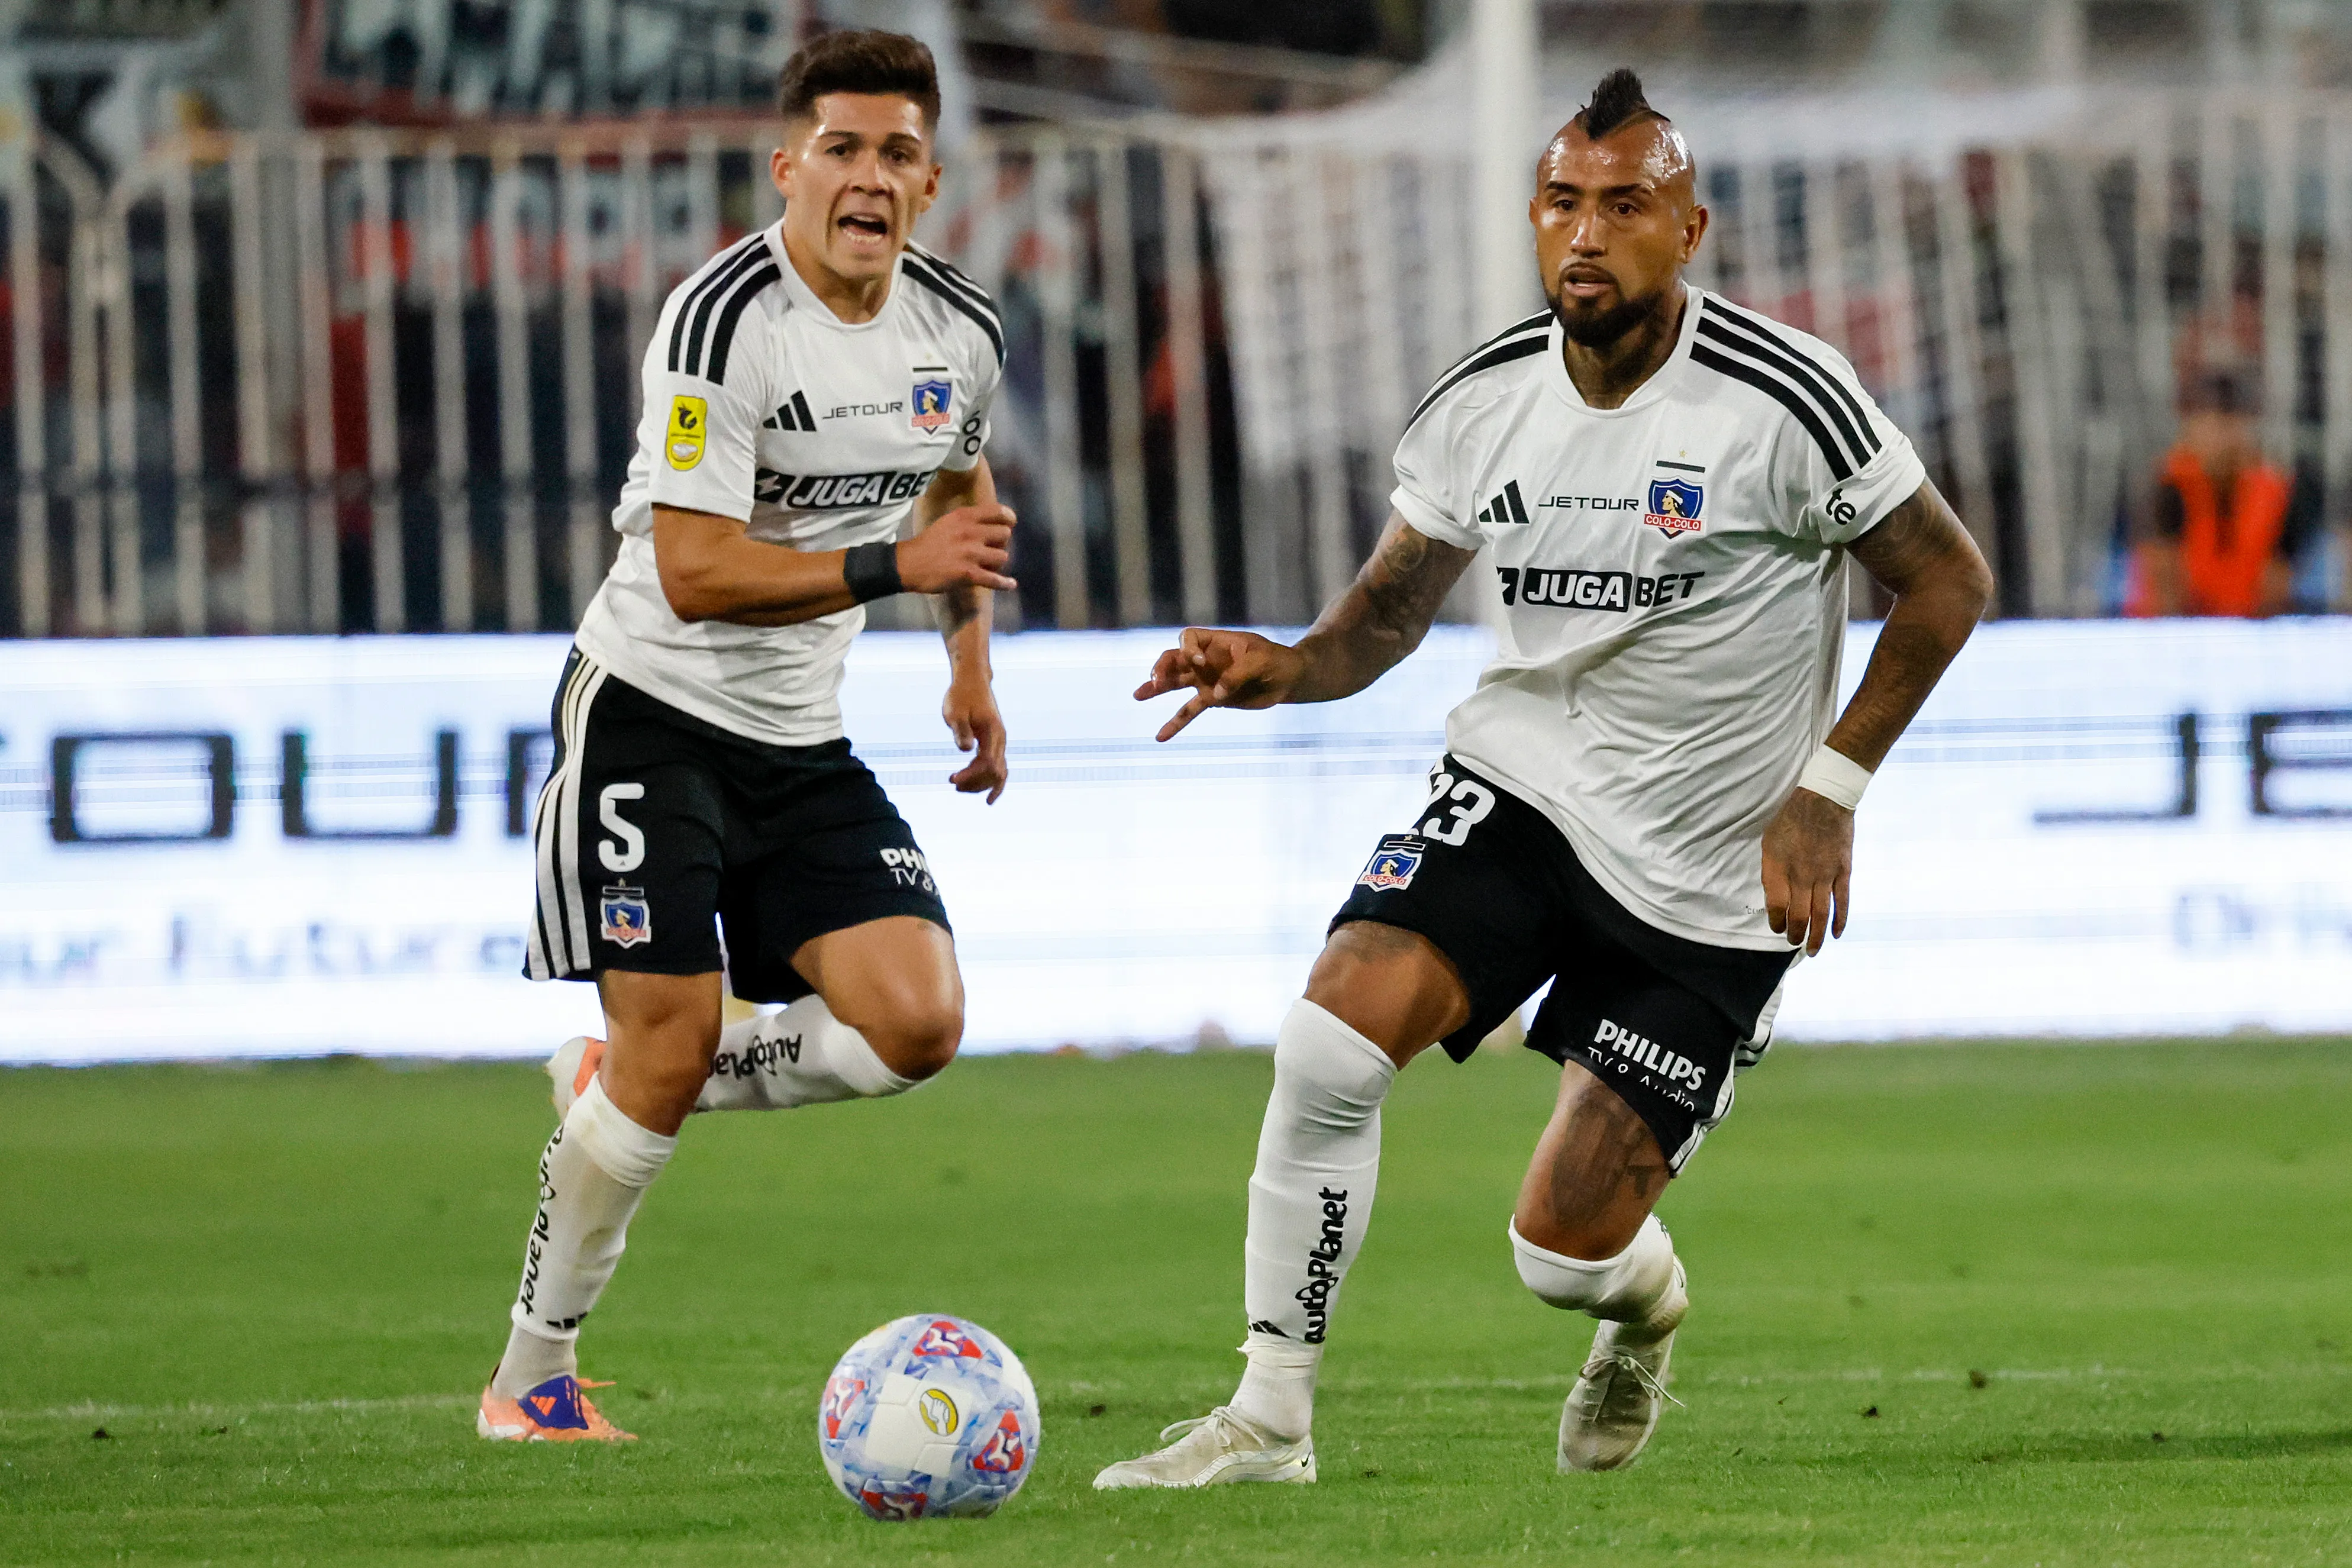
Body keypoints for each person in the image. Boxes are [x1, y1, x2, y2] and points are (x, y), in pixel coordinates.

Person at [1096, 68, 1993, 1486]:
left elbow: (1944, 580)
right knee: (1328, 1039)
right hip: (1520, 793)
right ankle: (1268, 1414)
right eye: (1560, 200)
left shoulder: (1782, 399)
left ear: (1685, 229)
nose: (1583, 233)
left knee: (1554, 1252)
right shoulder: (1482, 399)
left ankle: (1639, 1311)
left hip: (1707, 876)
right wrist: (1286, 665)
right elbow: (1387, 616)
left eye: (1622, 205)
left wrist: (1825, 790)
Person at [478, 28, 1017, 1443]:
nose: (867, 176)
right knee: (672, 1031)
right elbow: (697, 570)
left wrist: (967, 660)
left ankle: (636, 1073)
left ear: (930, 181)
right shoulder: (721, 321)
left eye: (896, 152)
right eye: (839, 147)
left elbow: (952, 482)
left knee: (918, 1022)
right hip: (649, 714)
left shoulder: (956, 332)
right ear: (788, 167)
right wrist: (895, 576)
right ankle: (530, 1375)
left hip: (797, 735)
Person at [2128, 369, 2321, 618]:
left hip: (2253, 632)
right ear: (2189, 427)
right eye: (2209, 424)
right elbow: (2164, 586)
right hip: (2179, 633)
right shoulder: (2166, 490)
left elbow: (2277, 586)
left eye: (2229, 424)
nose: (2220, 439)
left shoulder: (2282, 493)